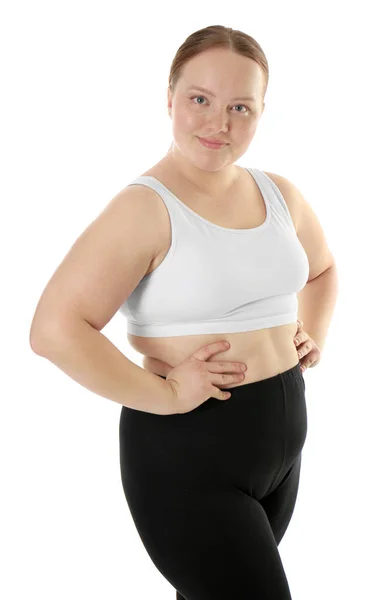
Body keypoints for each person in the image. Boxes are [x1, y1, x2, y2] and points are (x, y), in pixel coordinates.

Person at [30, 24, 335, 600]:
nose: (218, 123)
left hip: (280, 456)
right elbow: (54, 330)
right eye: (200, 100)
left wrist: (312, 332)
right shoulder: (144, 208)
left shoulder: (280, 195)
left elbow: (322, 271)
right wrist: (169, 396)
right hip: (188, 457)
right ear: (169, 99)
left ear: (261, 112)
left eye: (240, 107)